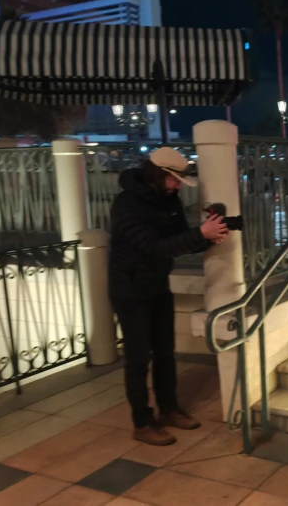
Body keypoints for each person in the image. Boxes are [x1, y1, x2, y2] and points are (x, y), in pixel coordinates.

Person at [109, 147, 229, 446]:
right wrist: (200, 233)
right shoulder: (127, 203)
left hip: (157, 285)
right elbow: (153, 246)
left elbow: (179, 241)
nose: (178, 186)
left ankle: (169, 409)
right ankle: (142, 422)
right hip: (129, 290)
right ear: (157, 174)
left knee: (165, 353)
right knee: (138, 360)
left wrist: (208, 238)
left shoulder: (169, 200)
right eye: (174, 179)